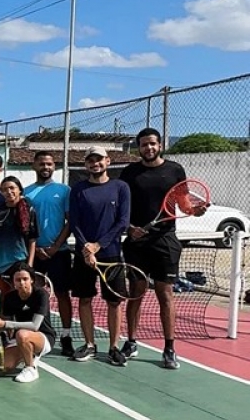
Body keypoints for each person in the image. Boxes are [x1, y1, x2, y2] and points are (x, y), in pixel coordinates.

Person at [119, 127, 206, 370]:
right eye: (144, 144)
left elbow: (183, 203)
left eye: (153, 144)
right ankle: (131, 342)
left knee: (164, 294)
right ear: (139, 147)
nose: (149, 148)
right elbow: (122, 208)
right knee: (135, 292)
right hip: (136, 243)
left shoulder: (175, 170)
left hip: (165, 242)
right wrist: (130, 228)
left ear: (160, 145)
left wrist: (193, 211)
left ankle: (169, 348)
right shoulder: (129, 173)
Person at [68, 146, 131, 366]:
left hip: (111, 255)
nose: (95, 164)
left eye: (99, 160)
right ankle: (90, 345)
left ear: (108, 161)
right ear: (86, 164)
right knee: (85, 299)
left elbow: (122, 222)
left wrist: (98, 245)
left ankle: (114, 347)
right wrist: (86, 248)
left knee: (114, 302)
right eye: (90, 160)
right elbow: (74, 222)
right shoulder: (78, 189)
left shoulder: (120, 187)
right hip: (83, 255)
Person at [24, 150, 75, 356]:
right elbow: (25, 226)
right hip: (34, 253)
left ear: (54, 166)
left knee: (63, 294)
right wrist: (34, 249)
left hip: (59, 253)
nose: (46, 167)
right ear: (34, 166)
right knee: (35, 295)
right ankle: (41, 332)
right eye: (42, 164)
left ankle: (66, 335)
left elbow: (69, 221)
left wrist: (54, 247)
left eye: (50, 164)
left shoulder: (64, 191)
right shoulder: (26, 193)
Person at [0, 263, 57, 383]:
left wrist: (6, 324)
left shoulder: (41, 295)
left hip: (43, 337)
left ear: (32, 280)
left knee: (22, 334)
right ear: (13, 282)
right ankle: (28, 352)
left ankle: (30, 368)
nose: (22, 283)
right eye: (18, 280)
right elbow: (7, 325)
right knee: (5, 366)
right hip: (20, 338)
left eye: (25, 279)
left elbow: (35, 325)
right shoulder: (10, 297)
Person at [0, 176, 38, 281]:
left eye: (12, 188)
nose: (9, 192)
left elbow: (32, 239)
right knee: (2, 294)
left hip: (19, 261)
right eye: (4, 189)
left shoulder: (28, 210)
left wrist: (29, 265)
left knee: (18, 292)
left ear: (20, 190)